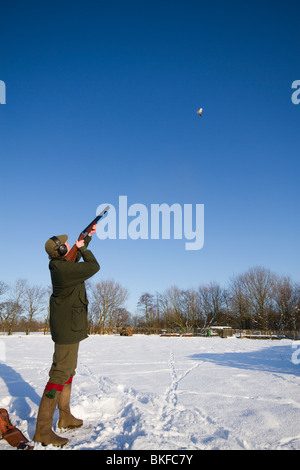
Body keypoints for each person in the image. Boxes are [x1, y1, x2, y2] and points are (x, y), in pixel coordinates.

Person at [33, 225, 100, 447]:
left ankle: (65, 417)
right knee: (59, 374)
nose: (69, 245)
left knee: (67, 372)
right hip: (67, 330)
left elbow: (74, 256)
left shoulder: (61, 265)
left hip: (70, 326)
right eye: (66, 245)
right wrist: (85, 250)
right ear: (60, 250)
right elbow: (93, 266)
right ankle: (43, 430)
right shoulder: (62, 270)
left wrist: (86, 237)